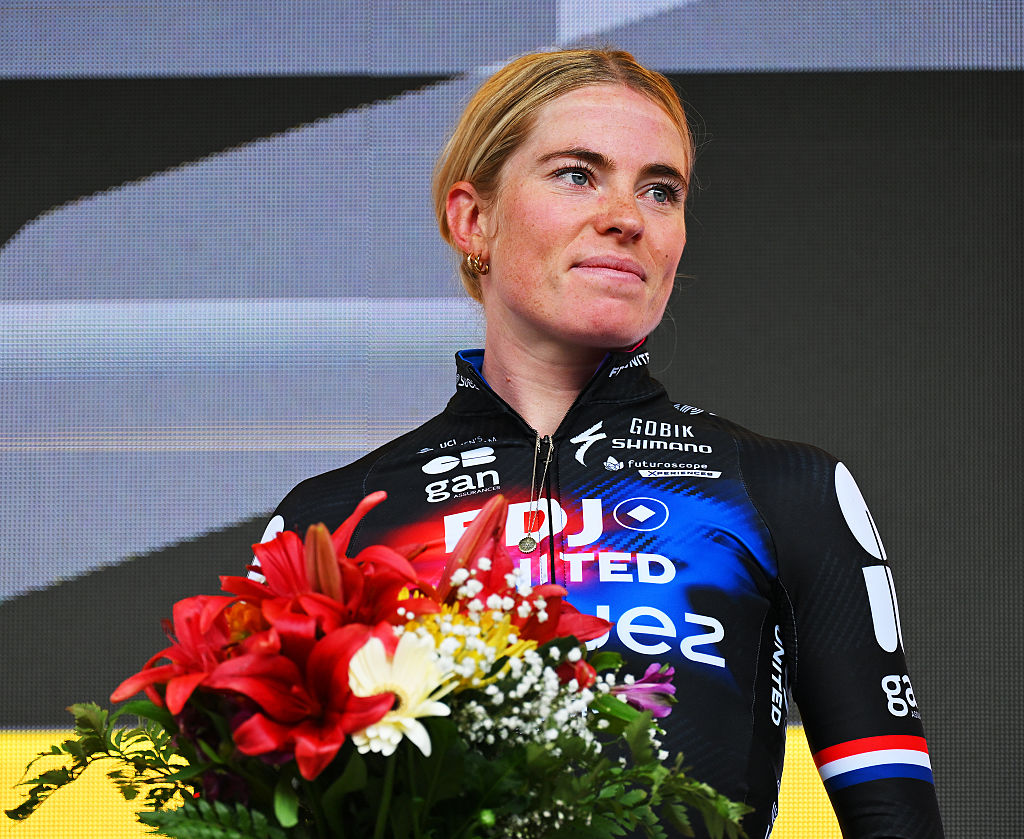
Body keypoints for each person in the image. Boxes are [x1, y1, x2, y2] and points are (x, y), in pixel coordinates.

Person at [264, 49, 944, 838]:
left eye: (660, 190)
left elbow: (895, 819)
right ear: (472, 220)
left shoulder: (785, 486)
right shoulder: (327, 519)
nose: (628, 217)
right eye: (577, 174)